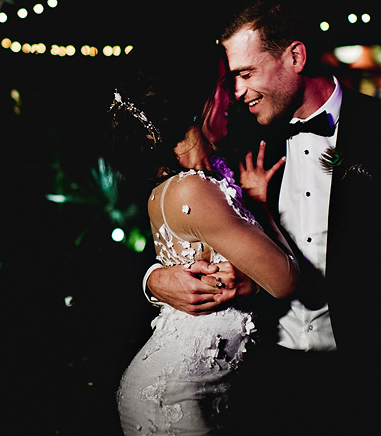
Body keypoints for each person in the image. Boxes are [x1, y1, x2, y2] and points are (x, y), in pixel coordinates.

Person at [143, 0, 381, 430]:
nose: (236, 92)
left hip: (370, 367)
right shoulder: (229, 139)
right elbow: (171, 223)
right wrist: (154, 279)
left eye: (245, 73)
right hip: (265, 371)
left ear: (295, 56)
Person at [107, 41, 299, 435]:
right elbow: (285, 280)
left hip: (214, 390)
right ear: (195, 101)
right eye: (223, 84)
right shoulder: (191, 191)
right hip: (176, 396)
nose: (232, 95)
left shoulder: (215, 173)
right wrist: (152, 280)